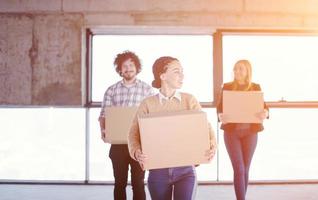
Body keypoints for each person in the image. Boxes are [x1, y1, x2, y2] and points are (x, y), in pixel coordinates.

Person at [128, 56, 217, 200]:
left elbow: (206, 129)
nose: (182, 75)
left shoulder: (190, 100)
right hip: (158, 172)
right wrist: (136, 152)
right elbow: (133, 134)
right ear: (162, 76)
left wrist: (212, 146)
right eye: (177, 71)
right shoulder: (148, 104)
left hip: (186, 170)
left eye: (182, 71)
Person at [98, 51, 154, 200]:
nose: (128, 68)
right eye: (124, 66)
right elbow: (104, 114)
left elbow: (151, 115)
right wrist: (103, 131)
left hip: (139, 143)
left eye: (131, 65)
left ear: (137, 67)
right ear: (120, 69)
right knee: (119, 183)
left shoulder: (146, 89)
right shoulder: (112, 90)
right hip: (118, 144)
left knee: (138, 182)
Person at [217, 59, 269, 200]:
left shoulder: (255, 87)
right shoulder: (227, 86)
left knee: (245, 169)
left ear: (247, 72)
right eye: (235, 69)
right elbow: (220, 108)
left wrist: (265, 113)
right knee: (239, 169)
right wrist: (220, 115)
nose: (237, 71)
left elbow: (265, 108)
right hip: (231, 133)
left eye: (240, 69)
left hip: (250, 133)